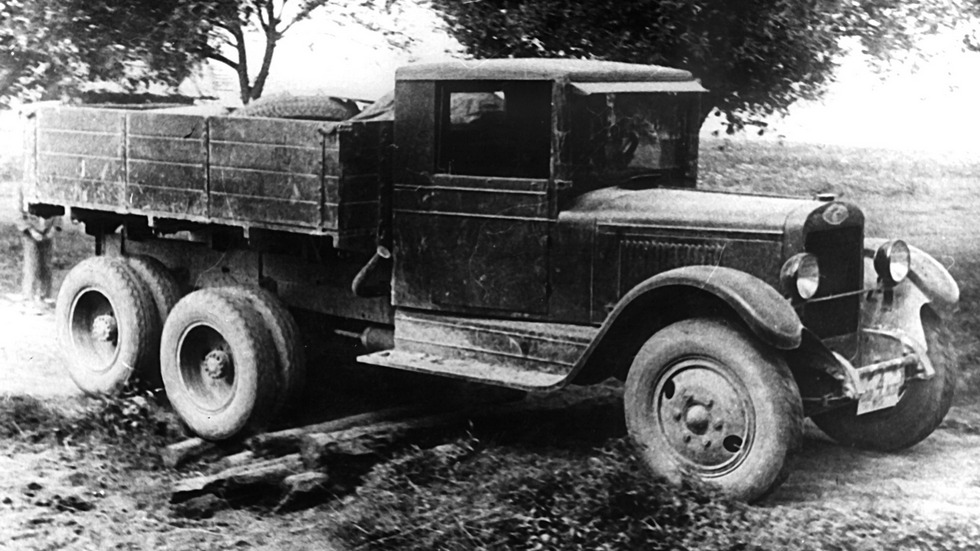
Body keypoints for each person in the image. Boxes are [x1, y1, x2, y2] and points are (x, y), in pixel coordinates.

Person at [14, 180, 59, 309]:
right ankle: (29, 298)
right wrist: (31, 231)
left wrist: (53, 229)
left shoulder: (51, 185)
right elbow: (18, 213)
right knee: (31, 265)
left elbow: (58, 210)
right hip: (30, 232)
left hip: (47, 230)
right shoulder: (22, 186)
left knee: (46, 265)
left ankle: (45, 296)